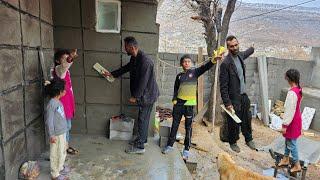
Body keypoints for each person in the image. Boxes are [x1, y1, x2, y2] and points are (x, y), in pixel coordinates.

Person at [103, 36, 159, 154]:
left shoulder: (145, 61)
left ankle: (140, 147)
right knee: (143, 118)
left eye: (126, 47)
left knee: (142, 119)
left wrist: (135, 96)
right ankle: (142, 140)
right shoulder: (135, 58)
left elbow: (143, 82)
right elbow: (126, 68)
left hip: (147, 95)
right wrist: (112, 74)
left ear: (132, 47)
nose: (124, 49)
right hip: (145, 94)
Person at [162, 53, 223, 159]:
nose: (187, 63)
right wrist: (174, 99)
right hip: (179, 104)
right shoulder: (179, 76)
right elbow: (176, 89)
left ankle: (186, 149)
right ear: (182, 64)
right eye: (185, 62)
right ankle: (170, 145)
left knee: (188, 127)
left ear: (191, 63)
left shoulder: (195, 72)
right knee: (175, 125)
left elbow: (205, 67)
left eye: (188, 61)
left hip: (189, 105)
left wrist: (213, 60)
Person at [219, 35, 256, 153]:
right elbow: (223, 86)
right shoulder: (225, 64)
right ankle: (233, 141)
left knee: (247, 118)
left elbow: (246, 53)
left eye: (236, 45)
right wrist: (227, 103)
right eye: (231, 46)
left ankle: (248, 139)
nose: (234, 48)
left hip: (243, 96)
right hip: (233, 98)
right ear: (228, 47)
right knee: (234, 122)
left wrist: (252, 48)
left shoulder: (240, 56)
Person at [53, 49, 78, 155]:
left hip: (68, 102)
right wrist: (70, 58)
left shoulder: (67, 71)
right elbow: (64, 67)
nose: (67, 60)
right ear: (57, 61)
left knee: (68, 126)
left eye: (67, 58)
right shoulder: (58, 69)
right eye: (64, 58)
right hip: (62, 104)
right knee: (63, 127)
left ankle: (65, 145)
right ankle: (62, 148)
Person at [45, 78, 71, 180]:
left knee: (62, 151)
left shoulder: (57, 102)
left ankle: (60, 167)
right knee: (55, 154)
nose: (65, 91)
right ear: (58, 92)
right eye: (63, 89)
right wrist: (52, 135)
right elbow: (49, 121)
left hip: (62, 132)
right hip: (56, 134)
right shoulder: (52, 104)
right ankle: (55, 174)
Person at [278, 69, 303, 173]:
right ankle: (285, 158)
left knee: (292, 143)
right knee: (288, 140)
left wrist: (285, 125)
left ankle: (297, 165)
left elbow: (289, 110)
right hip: (296, 118)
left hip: (292, 121)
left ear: (289, 78)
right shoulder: (298, 89)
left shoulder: (292, 93)